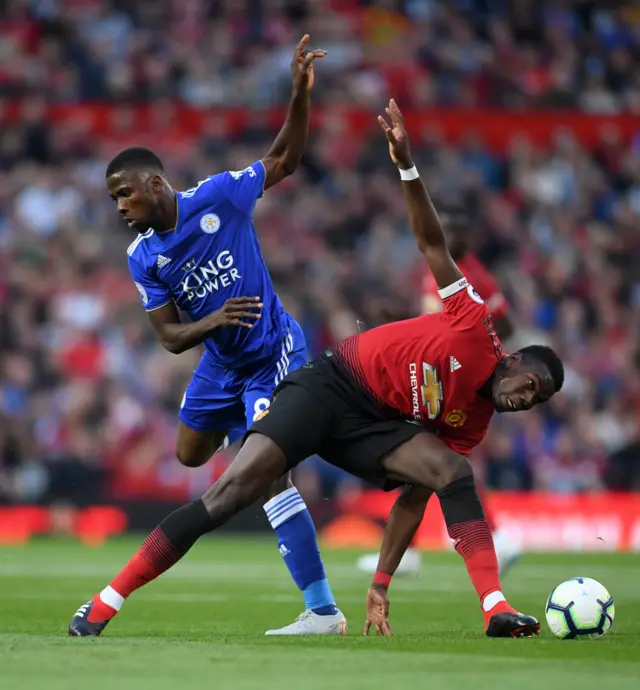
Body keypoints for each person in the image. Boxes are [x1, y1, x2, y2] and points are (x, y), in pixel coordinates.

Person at [70, 100, 563, 639]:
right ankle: (106, 600)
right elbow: (431, 242)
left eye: (535, 401)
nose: (525, 399)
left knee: (452, 473)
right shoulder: (473, 322)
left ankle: (492, 609)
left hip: (332, 395)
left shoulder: (473, 421)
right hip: (328, 386)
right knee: (220, 487)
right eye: (529, 386)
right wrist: (405, 163)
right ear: (512, 360)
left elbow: (416, 495)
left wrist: (381, 580)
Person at [69, 36, 347, 638]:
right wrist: (213, 323)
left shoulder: (219, 197)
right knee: (189, 453)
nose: (119, 206)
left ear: (155, 183)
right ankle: (251, 429)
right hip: (220, 362)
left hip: (273, 349)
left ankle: (323, 610)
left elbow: (284, 161)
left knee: (268, 474)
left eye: (124, 193)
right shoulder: (143, 256)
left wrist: (299, 96)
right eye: (113, 198)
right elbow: (170, 338)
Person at [357, 212, 521, 579]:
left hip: (447, 379)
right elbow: (450, 322)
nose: (448, 238)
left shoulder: (463, 275)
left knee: (426, 457)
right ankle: (488, 537)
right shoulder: (455, 271)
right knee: (436, 461)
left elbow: (495, 323)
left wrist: (480, 345)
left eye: (455, 232)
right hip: (440, 373)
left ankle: (477, 539)